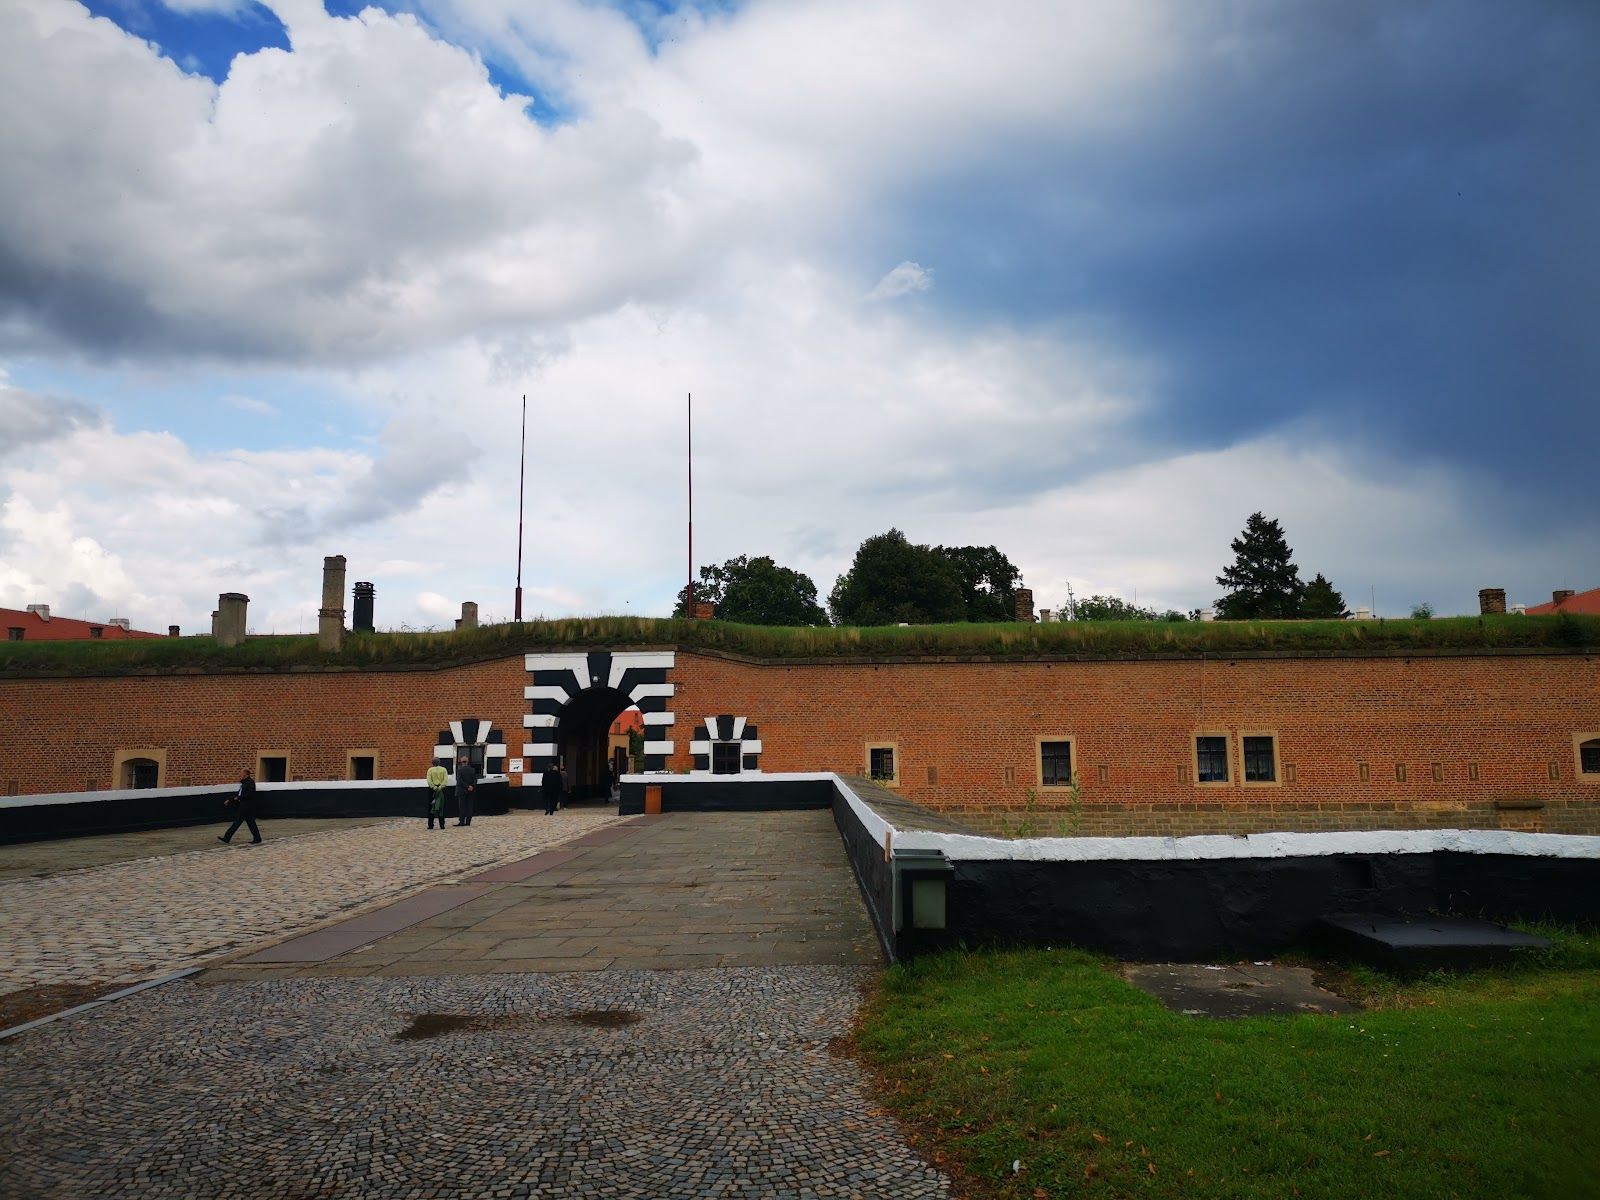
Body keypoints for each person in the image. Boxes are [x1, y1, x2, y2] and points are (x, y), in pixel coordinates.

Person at [219, 767, 262, 845]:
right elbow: (238, 794)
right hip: (245, 805)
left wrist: (239, 798)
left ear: (246, 774)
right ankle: (257, 838)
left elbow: (249, 794)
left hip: (246, 806)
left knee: (237, 822)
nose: (240, 775)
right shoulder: (245, 783)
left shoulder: (250, 783)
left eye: (241, 773)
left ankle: (227, 837)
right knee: (251, 823)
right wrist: (230, 799)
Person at [454, 754, 479, 826]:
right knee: (469, 806)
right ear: (467, 762)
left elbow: (459, 781)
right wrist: (471, 786)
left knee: (462, 807)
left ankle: (462, 822)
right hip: (471, 791)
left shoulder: (460, 770)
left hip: (462, 791)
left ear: (461, 762)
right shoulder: (473, 770)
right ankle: (468, 822)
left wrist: (467, 786)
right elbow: (475, 780)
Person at [425, 761, 449, 830]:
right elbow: (445, 779)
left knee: (431, 806)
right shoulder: (444, 769)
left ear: (432, 763)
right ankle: (442, 825)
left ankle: (430, 825)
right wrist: (440, 787)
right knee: (441, 806)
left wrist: (434, 787)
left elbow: (429, 780)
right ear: (439, 762)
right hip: (442, 790)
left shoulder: (430, 770)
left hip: (432, 790)